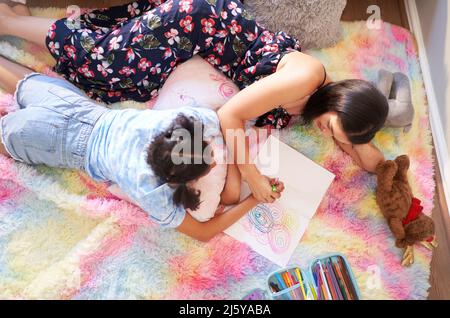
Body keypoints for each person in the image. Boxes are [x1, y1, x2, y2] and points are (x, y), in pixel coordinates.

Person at [0, 0, 388, 204]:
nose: (327, 133)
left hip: (199, 44)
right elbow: (231, 115)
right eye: (332, 128)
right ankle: (7, 21)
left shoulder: (325, 105)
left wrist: (364, 148)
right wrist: (251, 174)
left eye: (337, 136)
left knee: (121, 86)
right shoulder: (306, 77)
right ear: (339, 101)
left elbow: (358, 142)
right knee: (104, 62)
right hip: (196, 23)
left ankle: (17, 15)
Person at [0, 55, 285, 241]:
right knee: (10, 132)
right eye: (211, 159)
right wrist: (254, 200)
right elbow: (204, 232)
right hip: (59, 142)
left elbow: (224, 123)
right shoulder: (152, 190)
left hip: (75, 109)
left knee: (24, 83)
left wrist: (248, 178)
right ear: (174, 181)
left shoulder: (187, 122)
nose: (216, 156)